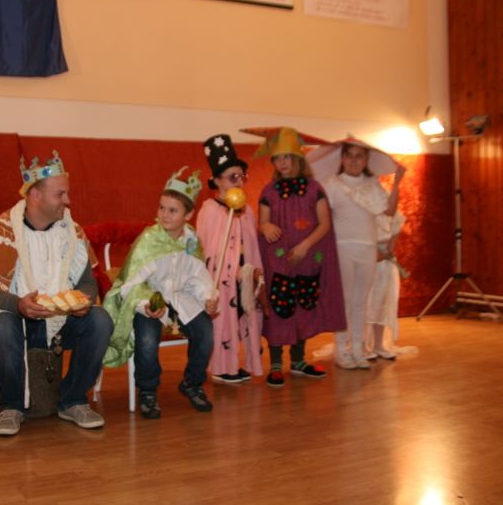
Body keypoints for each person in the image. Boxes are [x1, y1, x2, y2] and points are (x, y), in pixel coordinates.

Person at [0, 151, 114, 436]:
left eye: (67, 193)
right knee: (0, 325)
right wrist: (19, 305)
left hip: (62, 322)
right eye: (60, 194)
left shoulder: (72, 232)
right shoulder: (3, 231)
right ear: (35, 195)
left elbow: (88, 283)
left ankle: (73, 400)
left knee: (100, 320)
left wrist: (83, 300)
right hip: (19, 321)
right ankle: (12, 406)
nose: (68, 201)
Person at [103, 167, 218, 419]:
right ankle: (147, 389)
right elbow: (132, 282)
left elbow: (197, 277)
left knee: (206, 333)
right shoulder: (149, 240)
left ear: (188, 215)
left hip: (181, 300)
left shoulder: (191, 241)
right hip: (149, 301)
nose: (164, 214)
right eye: (162, 208)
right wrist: (146, 304)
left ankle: (192, 382)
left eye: (172, 210)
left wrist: (208, 297)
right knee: (146, 339)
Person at [256, 128, 346, 387]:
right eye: (277, 158)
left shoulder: (315, 189)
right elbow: (262, 222)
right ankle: (275, 363)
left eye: (286, 157)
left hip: (307, 260)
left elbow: (324, 223)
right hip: (279, 262)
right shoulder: (269, 191)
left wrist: (305, 246)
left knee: (303, 307)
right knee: (279, 308)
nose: (282, 162)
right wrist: (266, 226)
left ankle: (298, 361)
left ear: (298, 158)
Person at [318, 139, 405, 370]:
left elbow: (389, 211)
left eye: (359, 156)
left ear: (366, 160)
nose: (354, 160)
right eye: (350, 155)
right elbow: (322, 217)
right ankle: (342, 350)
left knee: (361, 302)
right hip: (342, 248)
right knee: (345, 301)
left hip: (367, 248)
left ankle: (358, 348)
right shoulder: (332, 184)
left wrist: (397, 181)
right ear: (342, 158)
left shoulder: (372, 184)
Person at [196, 133, 265, 384]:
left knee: (242, 318)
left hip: (243, 276)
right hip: (221, 280)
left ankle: (236, 363)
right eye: (232, 177)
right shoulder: (210, 210)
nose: (239, 182)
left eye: (241, 177)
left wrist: (250, 272)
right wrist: (227, 271)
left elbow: (250, 245)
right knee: (223, 319)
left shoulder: (246, 211)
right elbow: (208, 249)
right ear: (216, 181)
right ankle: (221, 367)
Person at [365, 210, 407, 360]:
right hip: (366, 263)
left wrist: (386, 253)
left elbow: (391, 245)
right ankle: (361, 345)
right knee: (365, 305)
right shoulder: (365, 212)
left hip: (384, 265)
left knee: (381, 305)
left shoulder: (394, 216)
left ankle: (379, 344)